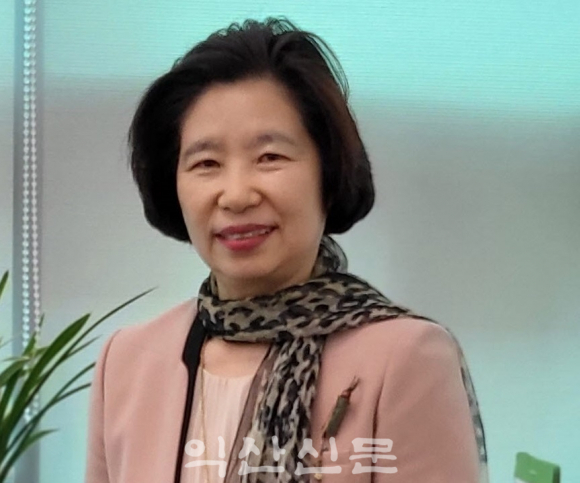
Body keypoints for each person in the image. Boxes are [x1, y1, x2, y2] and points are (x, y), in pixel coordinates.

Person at [84, 17, 488, 483]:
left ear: (328, 173)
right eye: (206, 163)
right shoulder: (127, 361)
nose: (236, 195)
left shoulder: (405, 358)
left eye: (269, 157)